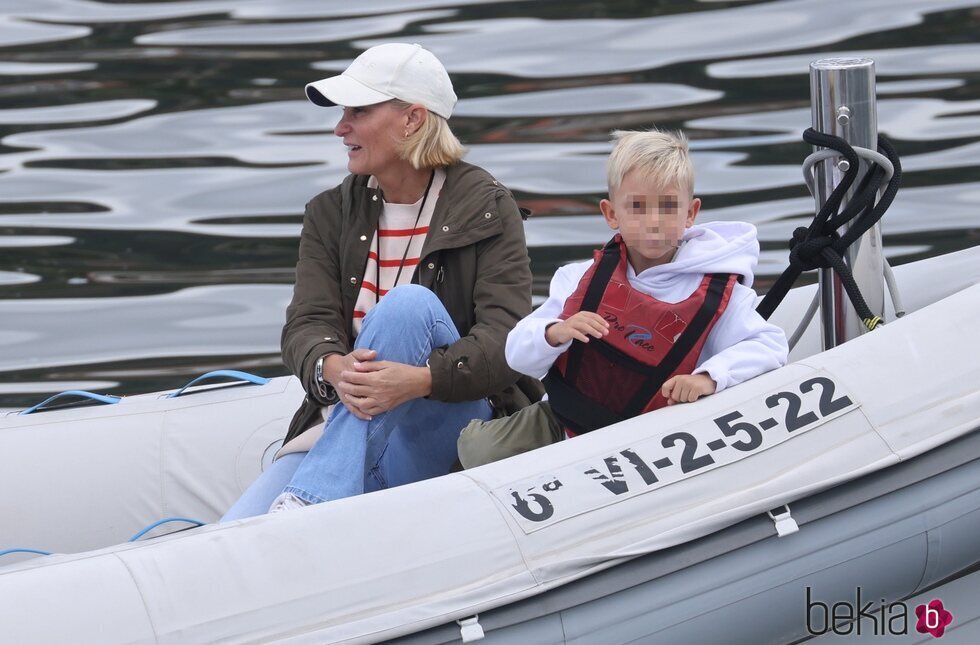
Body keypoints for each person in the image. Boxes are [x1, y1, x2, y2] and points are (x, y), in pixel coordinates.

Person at [222, 43, 540, 520]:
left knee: (408, 305)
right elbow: (306, 325)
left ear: (412, 119)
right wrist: (334, 368)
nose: (340, 127)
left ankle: (312, 501)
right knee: (233, 533)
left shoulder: (487, 206)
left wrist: (421, 380)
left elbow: (508, 341)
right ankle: (320, 495)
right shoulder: (329, 213)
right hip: (347, 425)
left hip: (454, 422)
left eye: (359, 111)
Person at [457, 128, 789, 468]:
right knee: (476, 448)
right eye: (638, 207)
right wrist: (555, 332)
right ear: (610, 213)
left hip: (654, 436)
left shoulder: (715, 293)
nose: (654, 221)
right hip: (569, 421)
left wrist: (708, 377)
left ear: (691, 213)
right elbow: (516, 354)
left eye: (669, 206)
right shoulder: (578, 278)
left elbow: (769, 345)